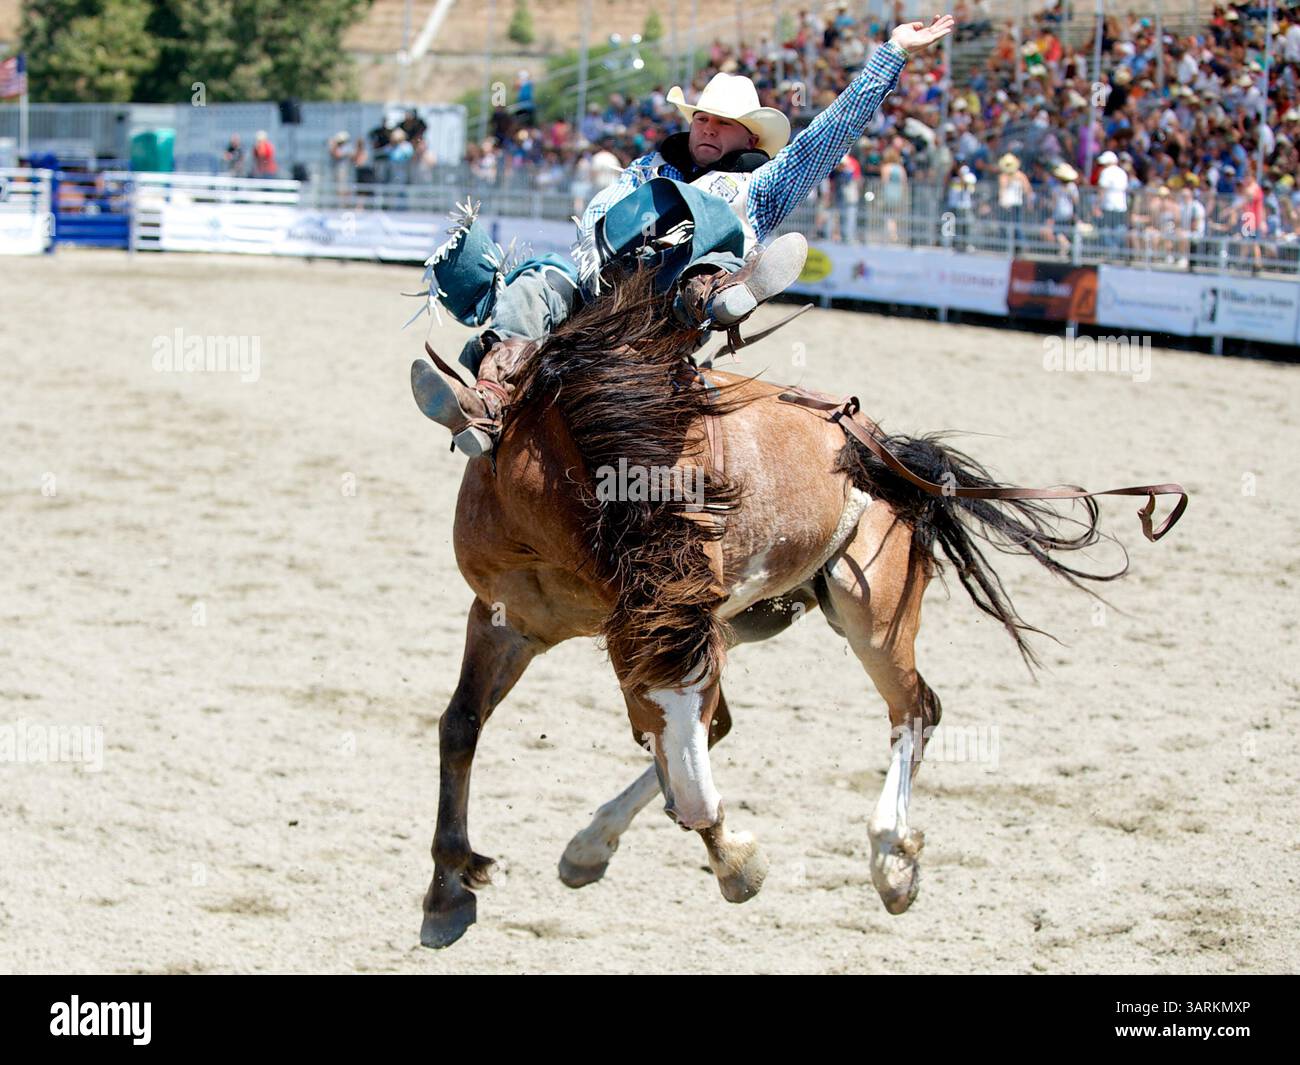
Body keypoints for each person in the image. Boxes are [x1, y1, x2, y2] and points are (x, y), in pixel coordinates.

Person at [412, 15, 957, 457]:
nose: (707, 128)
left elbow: (830, 134)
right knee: (540, 280)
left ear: (749, 135)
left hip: (665, 310)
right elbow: (597, 218)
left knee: (709, 222)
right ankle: (484, 405)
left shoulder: (761, 184)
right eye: (702, 119)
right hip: (602, 291)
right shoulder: (647, 169)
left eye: (722, 123)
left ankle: (719, 295)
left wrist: (891, 53)